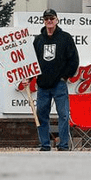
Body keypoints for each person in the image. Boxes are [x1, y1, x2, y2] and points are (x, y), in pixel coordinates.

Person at [32, 8, 80, 151]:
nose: (49, 21)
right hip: (42, 85)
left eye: (51, 18)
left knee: (64, 115)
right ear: (43, 21)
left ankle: (63, 144)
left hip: (59, 84)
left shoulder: (65, 38)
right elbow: (32, 61)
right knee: (41, 115)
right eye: (46, 19)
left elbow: (74, 60)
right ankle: (45, 144)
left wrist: (65, 76)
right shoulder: (38, 40)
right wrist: (28, 79)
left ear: (57, 20)